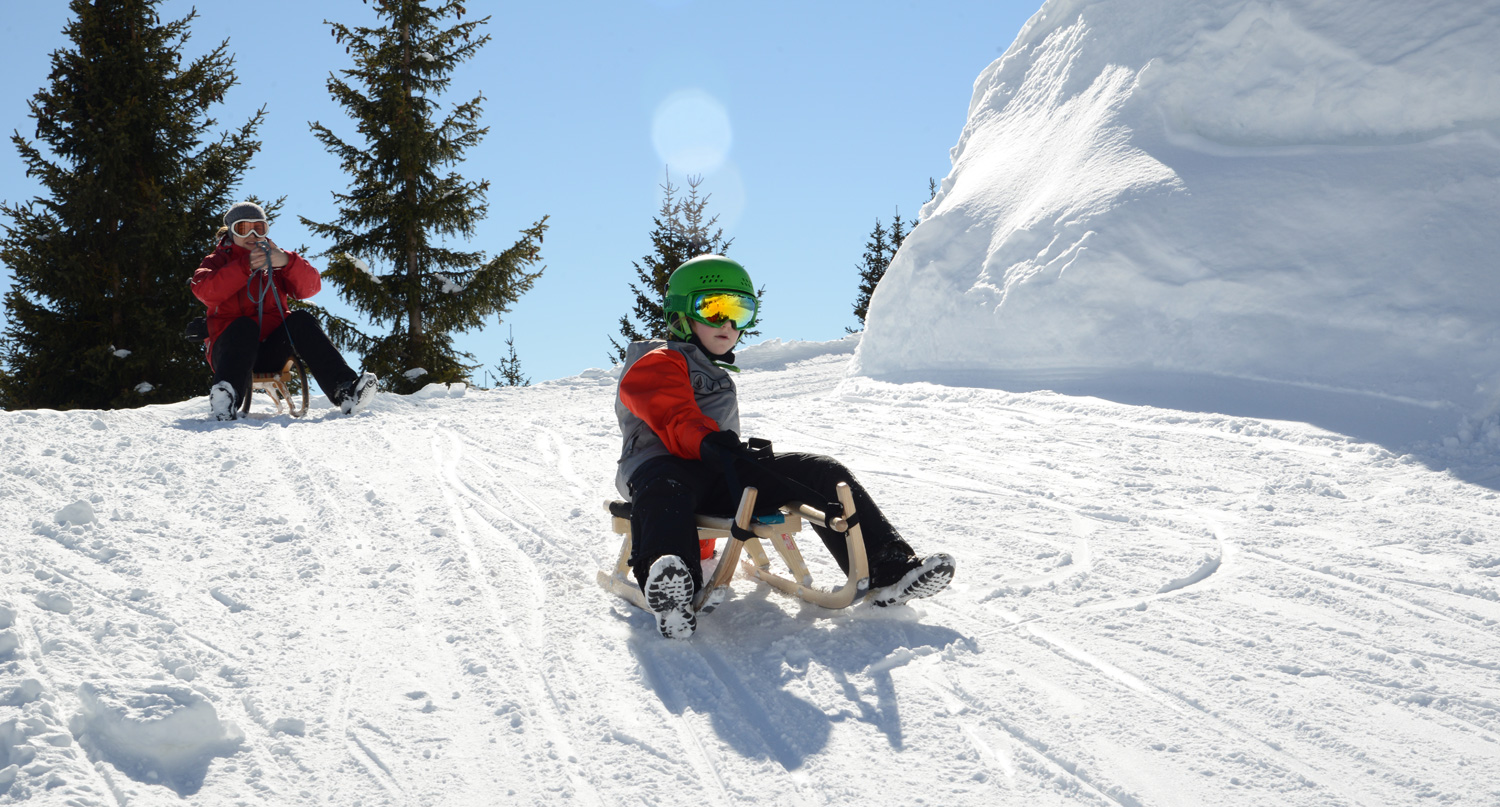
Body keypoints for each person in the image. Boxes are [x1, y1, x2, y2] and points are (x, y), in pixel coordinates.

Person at [615, 254, 955, 639]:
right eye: (712, 308)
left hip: (716, 474)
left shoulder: (716, 372)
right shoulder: (656, 361)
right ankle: (674, 588)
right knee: (665, 487)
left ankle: (888, 568)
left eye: (739, 311)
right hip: (661, 470)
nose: (728, 323)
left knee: (820, 470)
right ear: (680, 313)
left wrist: (731, 455)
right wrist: (709, 442)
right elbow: (672, 413)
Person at [190, 201, 376, 421]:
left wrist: (288, 262)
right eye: (243, 228)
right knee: (244, 325)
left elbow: (311, 287)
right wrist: (244, 266)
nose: (252, 234)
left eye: (258, 228)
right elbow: (205, 291)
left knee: (301, 320)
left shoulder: (276, 258)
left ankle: (345, 390)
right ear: (231, 231)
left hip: (272, 350)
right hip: (231, 353)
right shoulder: (216, 261)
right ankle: (225, 398)